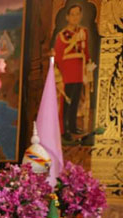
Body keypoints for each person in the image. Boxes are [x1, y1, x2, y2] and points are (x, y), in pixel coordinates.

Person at [54, 4, 90, 140]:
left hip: (79, 71)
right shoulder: (62, 35)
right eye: (72, 14)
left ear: (81, 16)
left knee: (75, 101)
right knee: (66, 102)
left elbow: (86, 52)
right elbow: (58, 56)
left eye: (77, 14)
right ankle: (65, 130)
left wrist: (88, 66)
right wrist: (72, 42)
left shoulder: (83, 32)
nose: (75, 17)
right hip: (67, 72)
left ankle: (73, 126)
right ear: (67, 17)